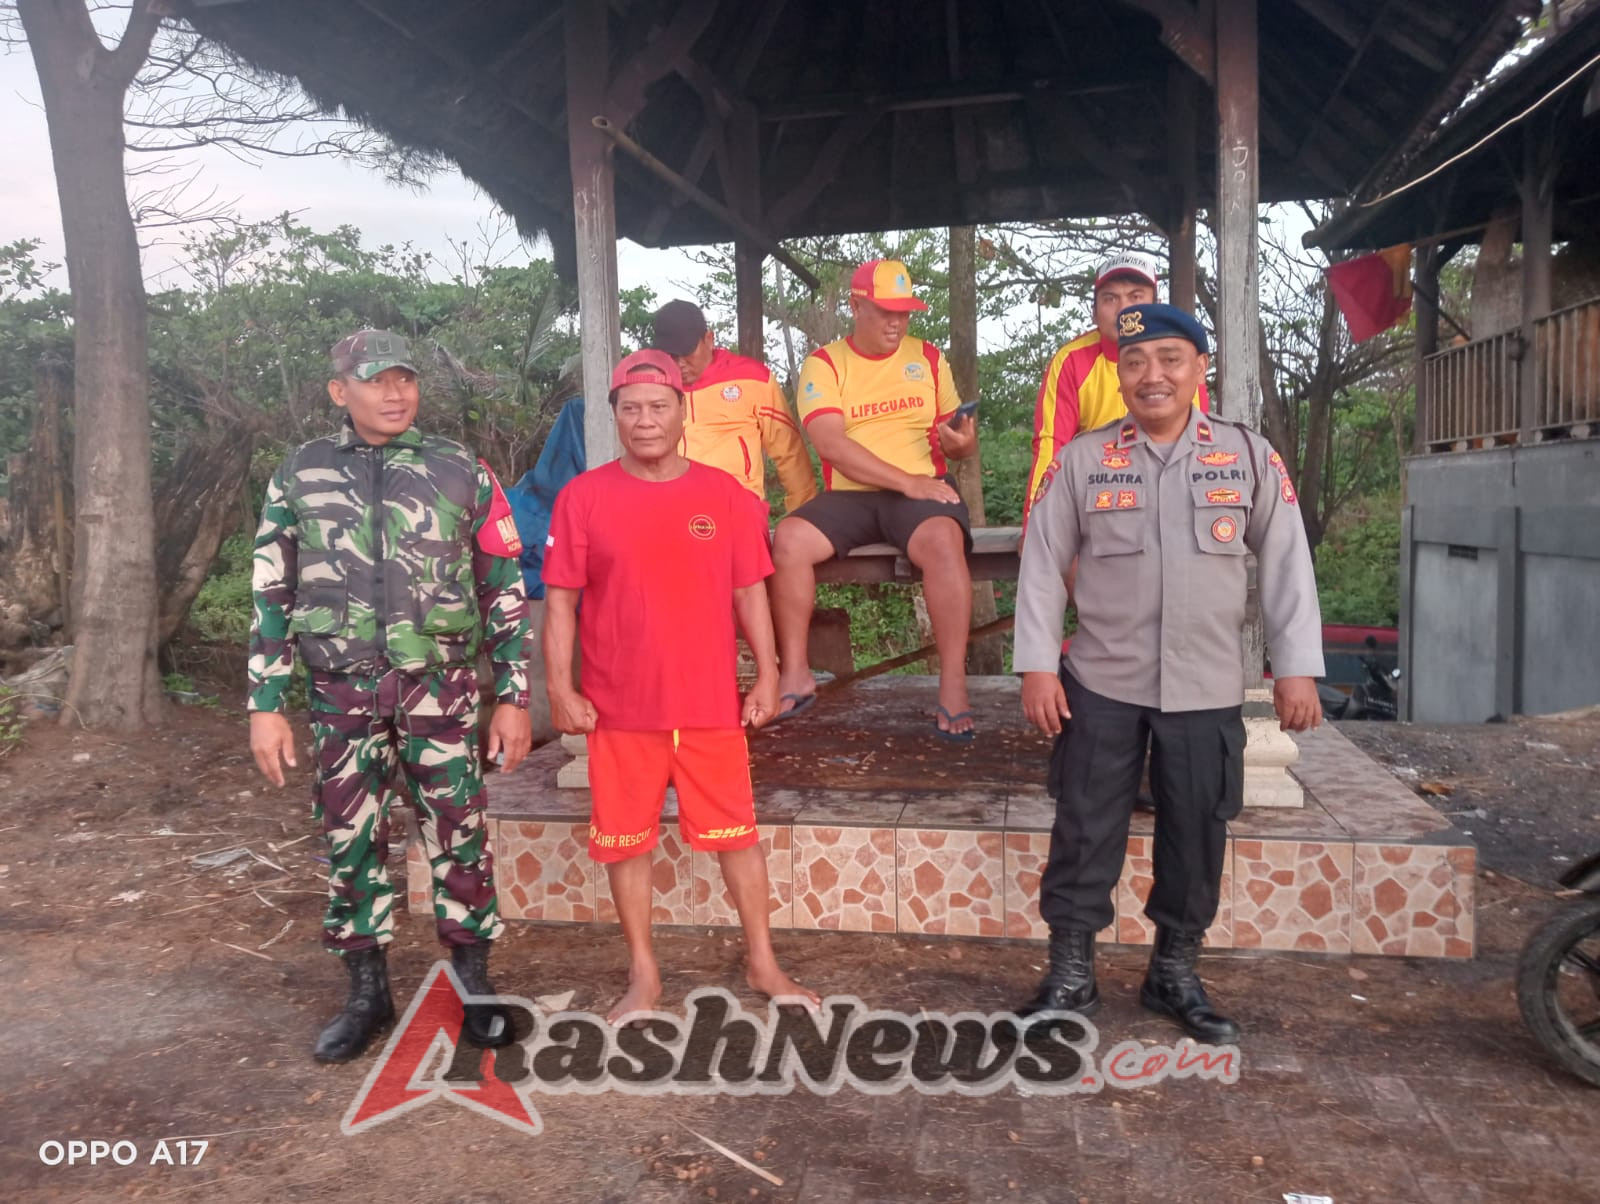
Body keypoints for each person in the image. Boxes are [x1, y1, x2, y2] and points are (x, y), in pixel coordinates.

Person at [1011, 303, 1325, 1042]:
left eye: (1170, 360)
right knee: (1085, 830)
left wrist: (1296, 668)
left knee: (1196, 833)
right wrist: (1035, 665)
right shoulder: (1084, 460)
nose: (1153, 376)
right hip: (1101, 682)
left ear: (1199, 369)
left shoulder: (1246, 456)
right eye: (1136, 363)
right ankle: (1071, 973)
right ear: (1118, 375)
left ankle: (1173, 973)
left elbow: (1287, 564)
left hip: (1206, 687)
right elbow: (1042, 566)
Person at [248, 329, 534, 1063]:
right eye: (376, 382)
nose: (395, 393)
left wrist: (513, 696)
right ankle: (368, 994)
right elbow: (271, 591)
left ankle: (472, 982)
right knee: (352, 845)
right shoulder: (300, 473)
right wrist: (266, 703)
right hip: (342, 697)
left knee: (458, 836)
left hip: (441, 691)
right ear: (340, 391)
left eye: (405, 379)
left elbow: (502, 584)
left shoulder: (459, 469)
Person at [541, 349, 819, 1025]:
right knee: (625, 843)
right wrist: (560, 690)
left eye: (657, 406)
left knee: (737, 836)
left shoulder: (725, 496)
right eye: (630, 409)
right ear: (613, 416)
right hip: (618, 708)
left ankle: (763, 960)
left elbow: (750, 590)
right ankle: (644, 974)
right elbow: (559, 605)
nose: (644, 421)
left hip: (707, 705)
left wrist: (770, 674)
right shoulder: (584, 496)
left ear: (681, 410)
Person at [771, 258, 979, 740]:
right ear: (856, 305)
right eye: (886, 311)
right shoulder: (824, 363)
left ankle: (952, 686)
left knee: (946, 543)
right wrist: (905, 481)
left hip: (922, 494)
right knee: (790, 539)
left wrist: (961, 444)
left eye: (904, 313)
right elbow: (831, 445)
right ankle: (797, 673)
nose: (896, 322)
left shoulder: (928, 358)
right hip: (853, 494)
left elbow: (960, 439)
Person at [1022, 252, 1210, 531]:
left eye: (1136, 297)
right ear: (1094, 311)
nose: (1124, 309)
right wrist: (1035, 523)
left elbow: (1197, 444)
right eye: (1110, 299)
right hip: (1092, 501)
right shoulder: (1071, 360)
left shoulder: (1180, 361)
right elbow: (1051, 445)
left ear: (1156, 304)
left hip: (1168, 499)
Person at [650, 299, 818, 515]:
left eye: (687, 352)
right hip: (670, 508)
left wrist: (803, 514)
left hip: (738, 508)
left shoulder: (752, 378)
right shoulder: (651, 386)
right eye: (670, 355)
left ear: (709, 339)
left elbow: (789, 451)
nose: (679, 363)